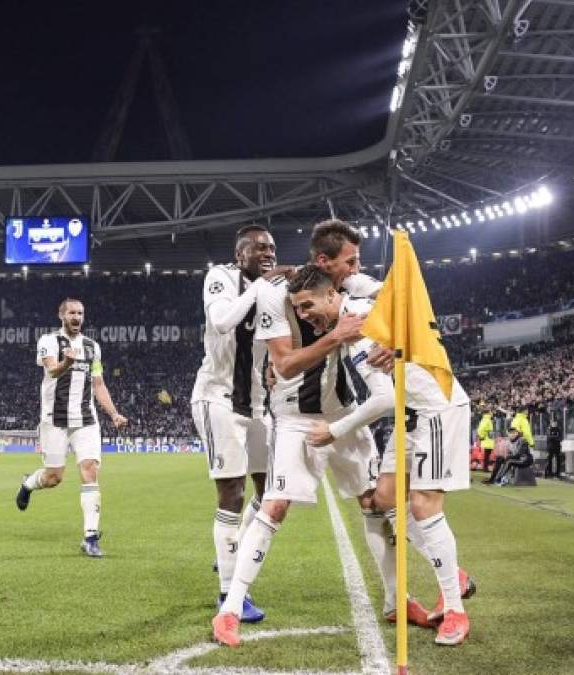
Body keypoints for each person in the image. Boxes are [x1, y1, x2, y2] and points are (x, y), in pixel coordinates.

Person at [212, 220, 413, 647]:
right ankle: (230, 609)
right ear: (324, 262)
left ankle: (398, 600)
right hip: (294, 418)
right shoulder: (272, 293)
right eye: (349, 262)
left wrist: (393, 341)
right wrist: (336, 335)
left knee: (372, 502)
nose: (355, 270)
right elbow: (283, 365)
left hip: (343, 411)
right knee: (275, 504)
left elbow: (406, 296)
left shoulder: (350, 286)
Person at [286, 265, 475, 646]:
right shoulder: (360, 301)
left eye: (308, 306)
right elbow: (397, 291)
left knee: (423, 506)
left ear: (329, 296)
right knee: (385, 498)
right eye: (298, 310)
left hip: (434, 408)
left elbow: (384, 399)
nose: (305, 316)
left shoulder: (355, 326)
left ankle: (454, 609)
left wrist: (335, 431)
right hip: (410, 415)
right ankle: (454, 574)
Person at [191, 224, 283, 623]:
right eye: (259, 248)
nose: (268, 253)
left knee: (272, 492)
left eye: (272, 248)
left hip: (258, 406)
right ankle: (229, 592)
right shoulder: (220, 277)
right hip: (218, 399)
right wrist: (259, 287)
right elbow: (224, 322)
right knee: (232, 491)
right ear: (240, 251)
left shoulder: (275, 289)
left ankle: (232, 551)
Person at [15, 298, 128, 558]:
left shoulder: (92, 347)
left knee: (90, 470)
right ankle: (28, 484)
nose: (77, 317)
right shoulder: (48, 341)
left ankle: (90, 537)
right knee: (54, 478)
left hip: (86, 419)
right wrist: (67, 362)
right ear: (61, 315)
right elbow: (53, 370)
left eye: (80, 313)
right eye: (72, 313)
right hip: (54, 419)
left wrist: (113, 414)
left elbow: (98, 384)